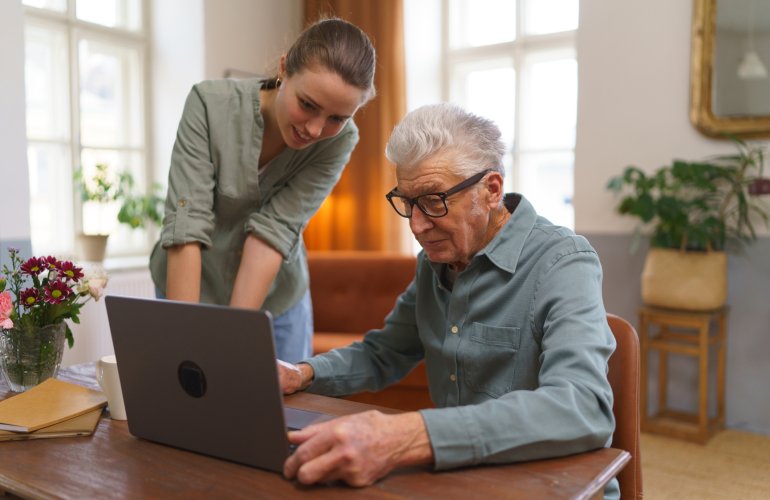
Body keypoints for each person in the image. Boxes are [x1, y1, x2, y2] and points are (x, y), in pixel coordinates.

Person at [277, 103, 619, 498]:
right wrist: (303, 373)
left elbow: (582, 406)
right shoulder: (434, 263)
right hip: (463, 478)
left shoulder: (563, 262)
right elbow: (383, 353)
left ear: (491, 190)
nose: (417, 225)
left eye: (433, 200)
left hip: (552, 484)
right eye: (408, 203)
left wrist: (411, 434)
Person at [149, 18, 376, 363]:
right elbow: (186, 226)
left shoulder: (340, 141)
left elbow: (272, 234)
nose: (316, 130)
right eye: (308, 104)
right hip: (187, 286)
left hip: (276, 302)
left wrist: (235, 340)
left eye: (337, 118)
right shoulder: (209, 104)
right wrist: (187, 342)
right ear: (284, 69)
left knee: (269, 398)